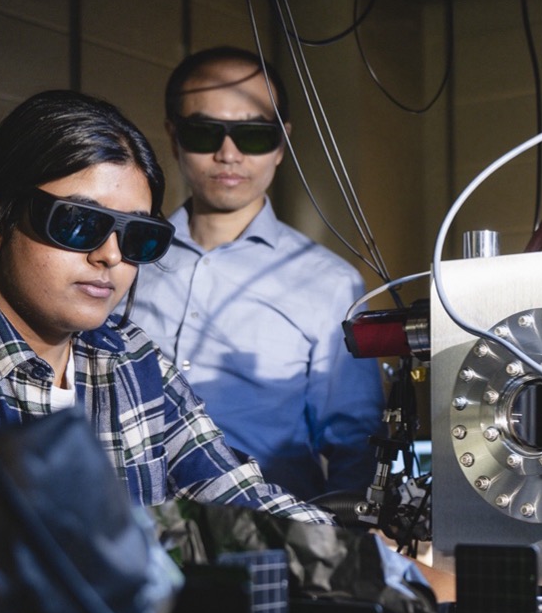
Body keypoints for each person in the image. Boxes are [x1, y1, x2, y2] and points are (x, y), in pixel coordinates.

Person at [0, 89, 333, 526]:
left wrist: (373, 561)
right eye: (78, 223)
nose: (110, 256)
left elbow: (242, 502)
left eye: (137, 236)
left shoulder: (132, 361)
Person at [130, 46, 384, 504]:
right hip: (131, 528)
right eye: (205, 132)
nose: (228, 154)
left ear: (282, 143)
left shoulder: (330, 283)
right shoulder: (126, 258)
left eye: (253, 135)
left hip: (266, 531)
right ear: (174, 136)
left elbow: (354, 445)